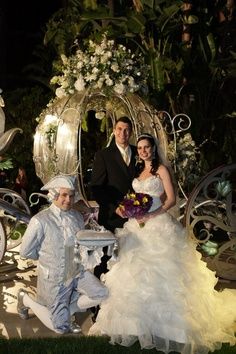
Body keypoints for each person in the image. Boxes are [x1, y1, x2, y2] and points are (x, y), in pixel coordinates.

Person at [89, 133, 236, 354]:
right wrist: (128, 208)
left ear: (153, 148)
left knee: (163, 273)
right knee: (132, 272)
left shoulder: (161, 170)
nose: (143, 151)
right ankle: (134, 324)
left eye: (146, 147)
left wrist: (152, 214)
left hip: (158, 224)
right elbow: (135, 196)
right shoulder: (139, 171)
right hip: (136, 227)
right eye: (139, 148)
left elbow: (171, 198)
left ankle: (168, 326)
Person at [17, 174, 108, 334]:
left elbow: (79, 243)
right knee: (59, 329)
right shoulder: (40, 221)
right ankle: (25, 298)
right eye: (64, 195)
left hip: (76, 271)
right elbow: (25, 251)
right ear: (54, 195)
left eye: (71, 196)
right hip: (55, 277)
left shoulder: (77, 217)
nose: (68, 200)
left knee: (102, 293)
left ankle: (67, 312)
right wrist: (48, 259)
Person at [90, 116, 136, 278]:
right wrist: (115, 208)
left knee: (132, 257)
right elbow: (96, 187)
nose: (122, 133)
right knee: (107, 259)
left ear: (131, 132)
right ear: (114, 131)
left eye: (126, 130)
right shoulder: (103, 155)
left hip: (136, 217)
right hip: (112, 216)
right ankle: (97, 298)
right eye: (119, 129)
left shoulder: (139, 152)